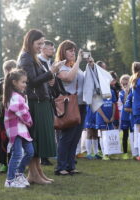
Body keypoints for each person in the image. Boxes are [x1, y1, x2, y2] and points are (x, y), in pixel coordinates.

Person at [17, 29, 62, 184]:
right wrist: (51, 73)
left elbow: (39, 79)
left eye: (43, 43)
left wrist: (50, 78)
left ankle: (37, 173)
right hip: (34, 103)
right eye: (39, 43)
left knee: (39, 139)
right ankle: (33, 174)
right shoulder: (26, 58)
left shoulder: (33, 57)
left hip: (41, 101)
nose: (41, 46)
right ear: (30, 42)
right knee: (35, 138)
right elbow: (31, 81)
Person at [55, 40, 87, 174]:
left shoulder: (75, 65)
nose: (73, 52)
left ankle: (70, 165)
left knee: (76, 137)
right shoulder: (60, 66)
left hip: (80, 104)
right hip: (68, 104)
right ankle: (61, 167)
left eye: (74, 50)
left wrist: (90, 65)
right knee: (67, 136)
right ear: (63, 52)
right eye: (69, 50)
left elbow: (84, 79)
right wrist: (79, 61)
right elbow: (68, 78)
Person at [3, 69, 34, 188]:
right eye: (23, 82)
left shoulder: (19, 95)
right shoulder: (15, 96)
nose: (25, 85)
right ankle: (10, 180)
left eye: (26, 82)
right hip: (15, 129)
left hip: (22, 129)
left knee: (30, 152)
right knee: (17, 154)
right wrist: (29, 121)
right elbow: (21, 112)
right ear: (14, 82)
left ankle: (19, 174)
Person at [0, 60, 17, 172]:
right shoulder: (7, 84)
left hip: (1, 117)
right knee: (8, 140)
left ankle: (3, 163)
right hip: (7, 117)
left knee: (2, 140)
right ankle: (7, 163)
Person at [38, 40, 56, 166]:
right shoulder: (38, 61)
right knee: (42, 128)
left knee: (48, 127)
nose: (53, 51)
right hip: (40, 98)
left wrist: (52, 82)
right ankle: (41, 157)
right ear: (43, 49)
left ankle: (46, 155)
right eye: (51, 49)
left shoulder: (50, 62)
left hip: (48, 97)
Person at [118, 74, 131, 159]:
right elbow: (125, 101)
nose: (125, 86)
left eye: (126, 84)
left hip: (133, 115)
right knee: (125, 134)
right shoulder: (121, 93)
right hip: (125, 116)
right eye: (123, 84)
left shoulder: (134, 91)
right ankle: (125, 153)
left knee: (134, 134)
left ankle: (135, 152)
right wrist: (126, 91)